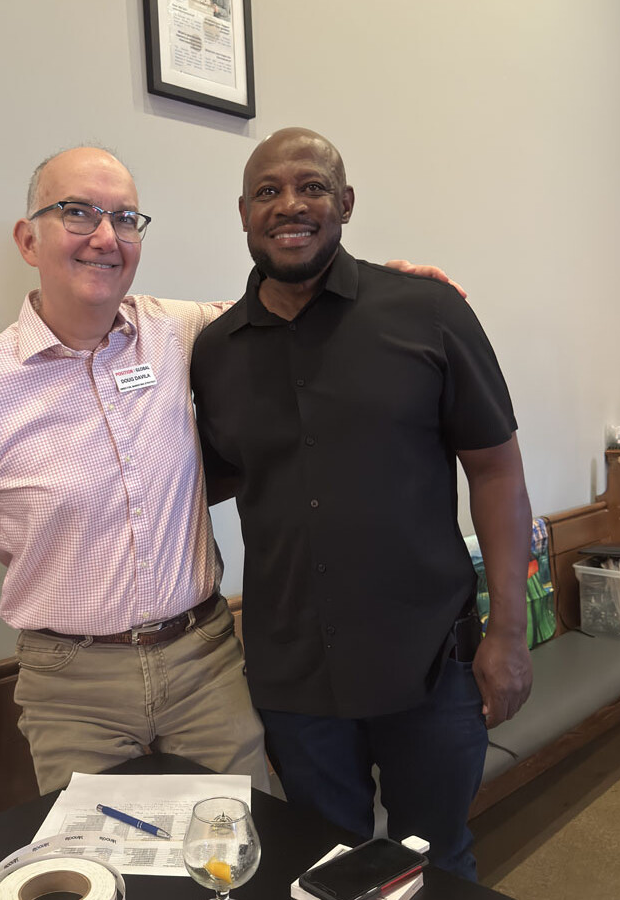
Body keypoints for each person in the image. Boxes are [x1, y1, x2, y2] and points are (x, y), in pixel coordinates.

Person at [0, 145, 458, 796]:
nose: (106, 238)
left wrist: (386, 291)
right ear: (29, 239)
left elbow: (288, 307)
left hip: (204, 661)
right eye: (78, 213)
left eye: (127, 218)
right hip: (71, 681)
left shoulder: (175, 333)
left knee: (250, 850)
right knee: (98, 873)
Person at [190, 128, 533, 879]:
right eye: (267, 191)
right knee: (324, 869)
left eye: (312, 186)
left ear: (345, 203)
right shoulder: (214, 351)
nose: (290, 205)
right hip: (293, 678)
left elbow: (497, 471)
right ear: (242, 213)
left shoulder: (428, 312)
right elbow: (208, 475)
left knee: (435, 864)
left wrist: (510, 630)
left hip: (430, 666)